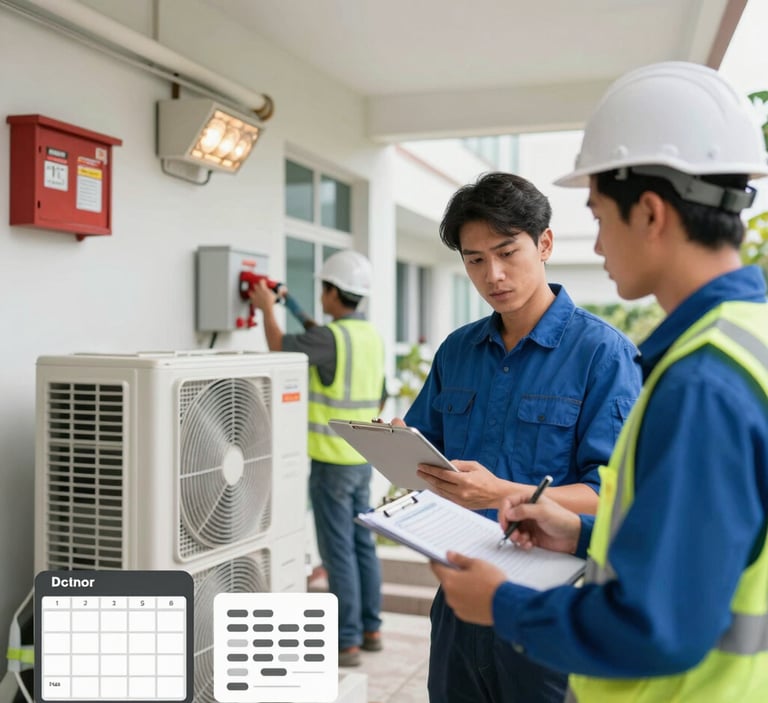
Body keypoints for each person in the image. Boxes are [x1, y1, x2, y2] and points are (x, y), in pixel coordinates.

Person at [430, 61, 768, 702]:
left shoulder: (701, 380)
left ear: (649, 212)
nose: (601, 242)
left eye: (599, 215)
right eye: (477, 259)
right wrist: (578, 531)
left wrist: (506, 609)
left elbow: (660, 624)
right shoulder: (744, 341)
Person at [400, 172, 642, 702]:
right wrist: (400, 451)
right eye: (475, 259)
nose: (494, 274)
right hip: (461, 598)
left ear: (546, 243)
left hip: (548, 606)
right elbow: (432, 461)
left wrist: (501, 492)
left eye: (508, 252)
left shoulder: (603, 355)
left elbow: (612, 497)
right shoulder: (457, 351)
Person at [249, 249, 386, 668]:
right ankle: (370, 628)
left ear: (331, 292)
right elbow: (320, 339)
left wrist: (266, 309)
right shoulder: (366, 336)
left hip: (330, 462)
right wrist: (290, 304)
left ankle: (345, 642)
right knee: (363, 544)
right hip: (363, 459)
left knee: (337, 550)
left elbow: (279, 345)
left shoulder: (329, 339)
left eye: (321, 290)